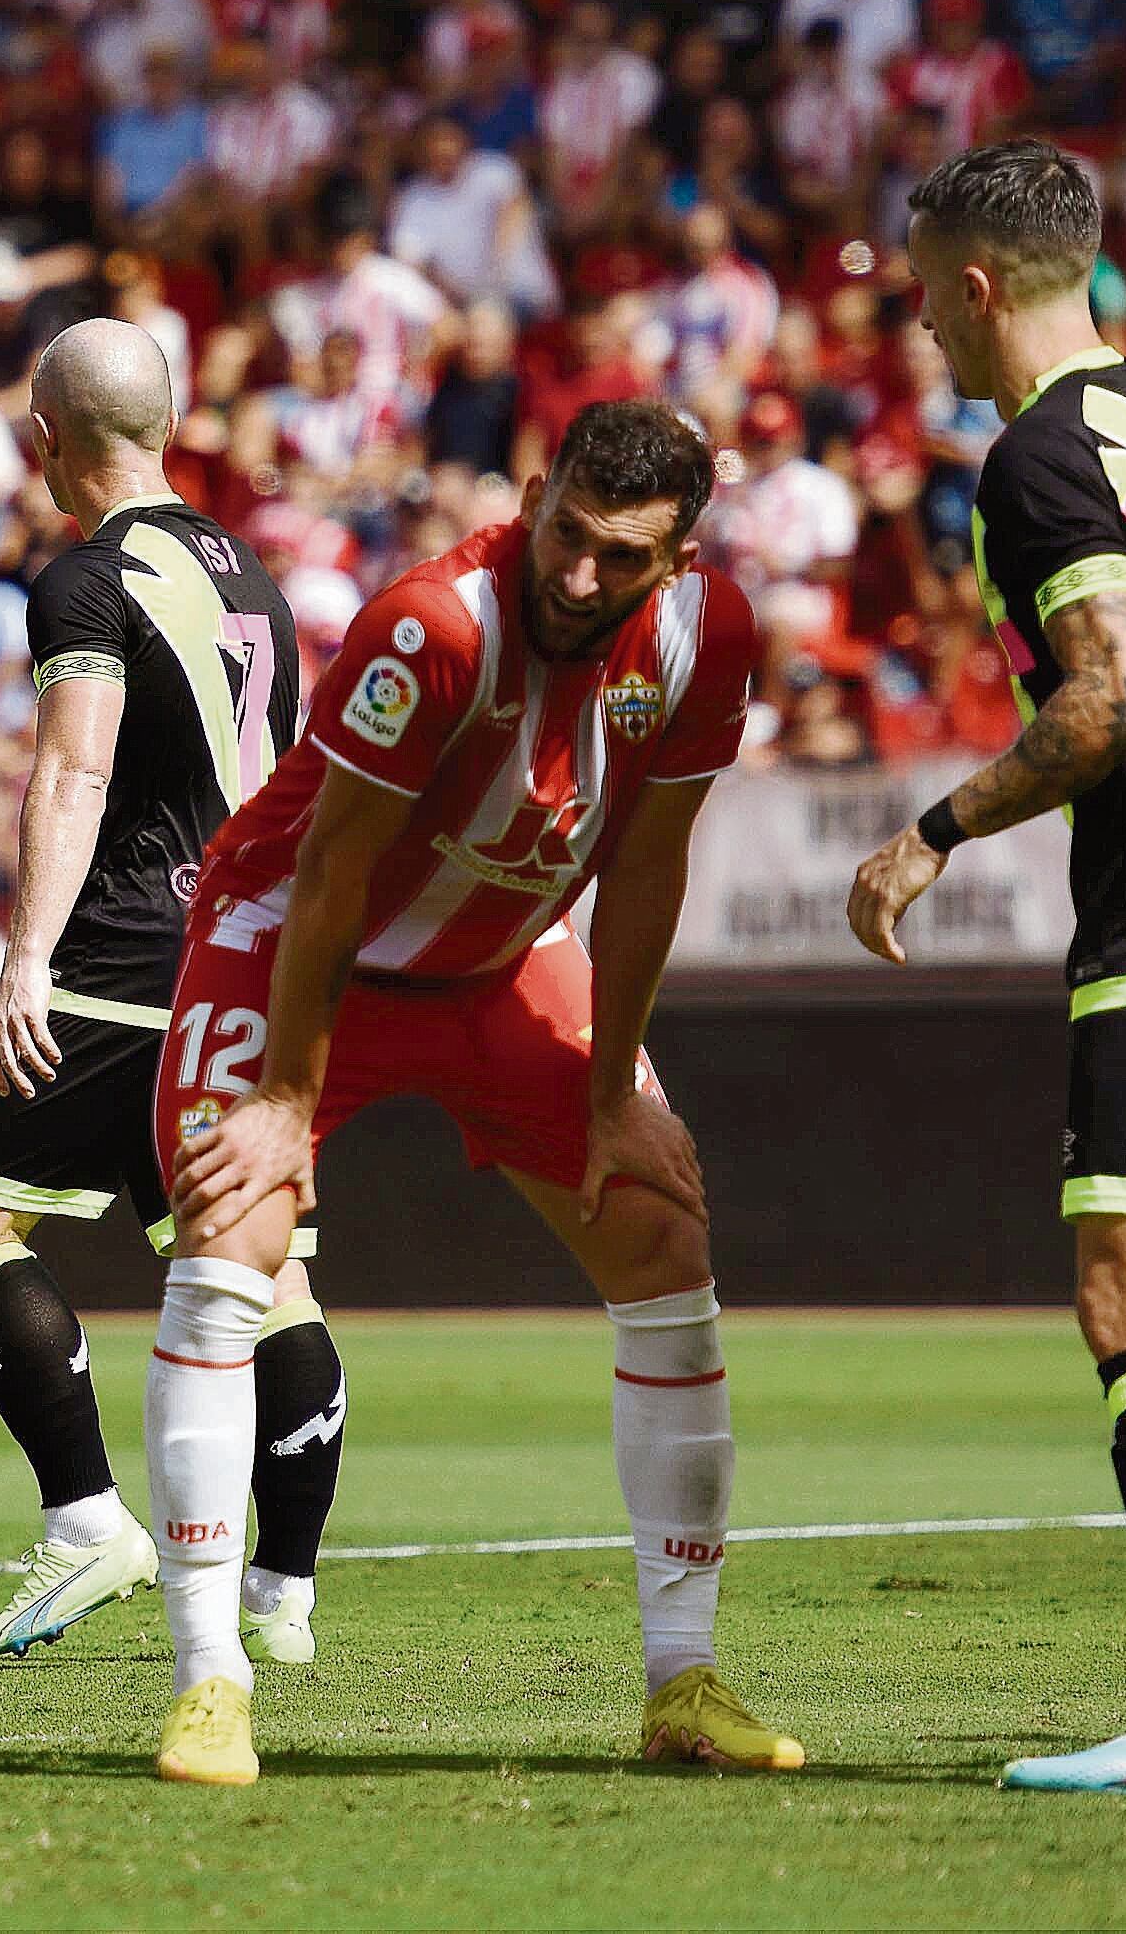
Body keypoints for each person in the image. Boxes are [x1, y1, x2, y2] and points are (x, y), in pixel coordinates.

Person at [139, 399, 802, 1787]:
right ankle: (210, 1680)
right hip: (300, 949)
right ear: (531, 491)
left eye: (618, 557)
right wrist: (282, 1096)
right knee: (227, 1246)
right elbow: (326, 875)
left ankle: (682, 1685)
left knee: (662, 1246)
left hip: (506, 956)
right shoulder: (430, 626)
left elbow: (646, 870)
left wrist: (615, 1083)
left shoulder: (705, 637)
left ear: (676, 559)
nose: (576, 577)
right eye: (563, 533)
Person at [849, 141, 1126, 1794]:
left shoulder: (1041, 455)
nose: (921, 329)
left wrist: (933, 829)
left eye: (920, 298)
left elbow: (1112, 697)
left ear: (977, 288)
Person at [0, 321, 344, 1667]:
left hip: (123, 951)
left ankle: (86, 1520)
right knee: (256, 1275)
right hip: (245, 956)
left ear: (49, 438)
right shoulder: (252, 575)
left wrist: (26, 956)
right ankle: (283, 1595)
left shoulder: (87, 580)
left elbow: (72, 773)